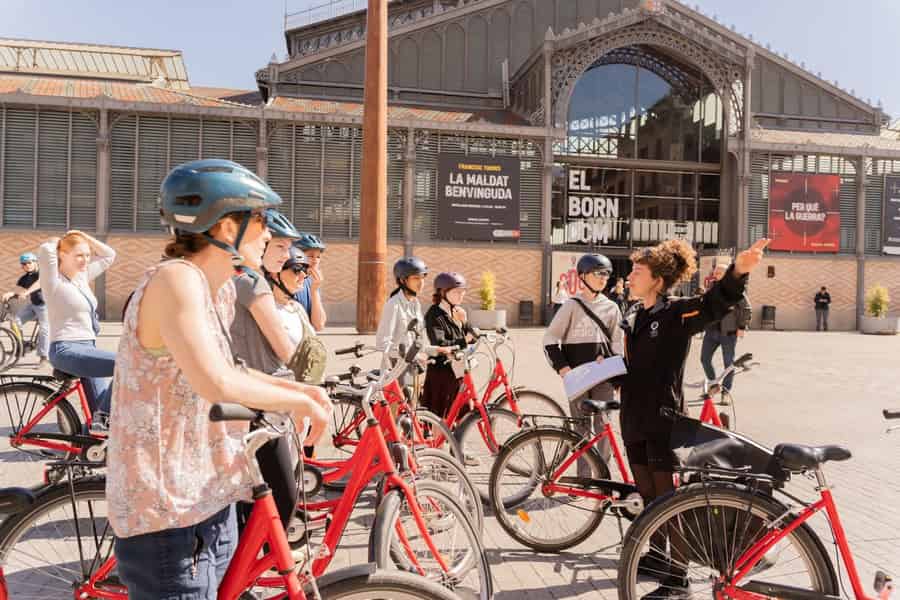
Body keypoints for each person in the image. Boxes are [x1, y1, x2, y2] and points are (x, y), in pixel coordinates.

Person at [107, 158, 330, 600]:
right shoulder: (175, 281)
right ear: (227, 227)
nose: (268, 233)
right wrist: (300, 403)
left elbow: (231, 370)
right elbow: (216, 383)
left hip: (212, 497)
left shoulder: (221, 287)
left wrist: (298, 389)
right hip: (168, 515)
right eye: (261, 219)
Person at [619, 238, 768, 596]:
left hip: (662, 420)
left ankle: (678, 578)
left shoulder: (675, 313)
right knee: (648, 498)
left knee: (670, 504)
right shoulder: (636, 314)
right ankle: (657, 557)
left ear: (657, 280)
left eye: (637, 272)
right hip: (633, 420)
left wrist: (739, 272)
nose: (630, 277)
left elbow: (714, 304)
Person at [230, 208, 307, 527]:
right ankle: (260, 567)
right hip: (264, 402)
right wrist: (307, 392)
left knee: (251, 497)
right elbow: (286, 350)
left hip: (249, 397)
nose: (284, 254)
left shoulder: (238, 279)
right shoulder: (253, 283)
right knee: (282, 498)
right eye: (278, 246)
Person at [543, 254, 623, 470]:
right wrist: (563, 368)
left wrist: (617, 379)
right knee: (580, 427)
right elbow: (550, 338)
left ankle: (603, 477)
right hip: (577, 376)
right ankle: (584, 477)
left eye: (606, 274)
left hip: (603, 375)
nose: (603, 278)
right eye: (598, 273)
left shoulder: (612, 308)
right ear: (583, 276)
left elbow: (618, 344)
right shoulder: (571, 305)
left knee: (604, 425)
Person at [38, 230, 116, 419]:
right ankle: (102, 420)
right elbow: (44, 248)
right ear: (62, 255)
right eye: (79, 255)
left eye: (88, 255)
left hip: (88, 348)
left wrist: (83, 236)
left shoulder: (81, 277)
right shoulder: (53, 282)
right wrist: (60, 241)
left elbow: (109, 255)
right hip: (66, 350)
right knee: (126, 363)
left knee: (99, 413)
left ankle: (91, 438)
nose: (85, 260)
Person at [421, 272, 472, 420]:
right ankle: (438, 444)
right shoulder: (434, 314)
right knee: (441, 416)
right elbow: (440, 343)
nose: (460, 295)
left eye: (462, 292)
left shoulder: (457, 311)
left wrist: (464, 321)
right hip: (441, 372)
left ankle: (457, 443)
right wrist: (464, 340)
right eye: (456, 292)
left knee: (461, 413)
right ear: (443, 293)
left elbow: (472, 336)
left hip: (458, 370)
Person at [700, 264, 752, 396]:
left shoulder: (735, 290)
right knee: (704, 359)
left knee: (729, 364)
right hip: (711, 331)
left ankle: (726, 392)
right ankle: (714, 385)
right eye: (715, 272)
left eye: (719, 272)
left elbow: (747, 309)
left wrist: (741, 327)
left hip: (728, 334)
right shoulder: (712, 288)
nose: (715, 274)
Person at [375, 257, 428, 373]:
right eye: (416, 278)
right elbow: (382, 342)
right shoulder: (393, 305)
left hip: (415, 368)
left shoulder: (415, 303)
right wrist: (408, 355)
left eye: (422, 278)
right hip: (395, 369)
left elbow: (418, 338)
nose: (421, 282)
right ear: (403, 280)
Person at [2, 252, 49, 366]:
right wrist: (10, 293)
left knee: (44, 330)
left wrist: (25, 292)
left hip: (45, 306)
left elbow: (41, 283)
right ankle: (21, 347)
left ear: (35, 262)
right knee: (14, 321)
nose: (27, 265)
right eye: (24, 264)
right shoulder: (25, 278)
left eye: (29, 262)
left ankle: (44, 357)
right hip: (33, 305)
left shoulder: (43, 274)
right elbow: (18, 291)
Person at [267, 246, 311, 350]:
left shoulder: (297, 308)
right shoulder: (267, 311)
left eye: (305, 269)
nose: (303, 275)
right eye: (297, 270)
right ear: (275, 275)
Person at [293, 233, 327, 331]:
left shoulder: (312, 282)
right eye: (311, 256)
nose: (315, 261)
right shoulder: (287, 281)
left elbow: (319, 325)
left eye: (318, 257)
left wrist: (315, 291)